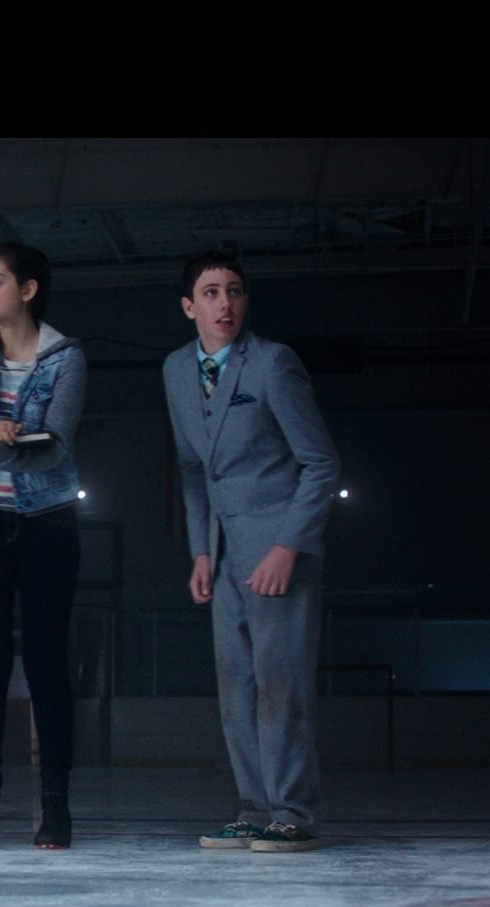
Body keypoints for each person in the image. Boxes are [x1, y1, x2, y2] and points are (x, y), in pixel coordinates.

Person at [162, 252, 339, 853]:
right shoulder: (176, 370)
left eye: (235, 291)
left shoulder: (272, 363)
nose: (225, 303)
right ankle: (254, 808)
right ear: (189, 307)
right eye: (211, 292)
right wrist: (200, 552)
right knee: (236, 687)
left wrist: (289, 546)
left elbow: (321, 464)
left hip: (277, 549)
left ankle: (294, 813)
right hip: (222, 554)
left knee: (280, 686)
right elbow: (193, 470)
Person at [0, 243, 86, 849]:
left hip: (49, 522)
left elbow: (55, 445)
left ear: (28, 290)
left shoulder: (67, 357)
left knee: (48, 665)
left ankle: (55, 808)